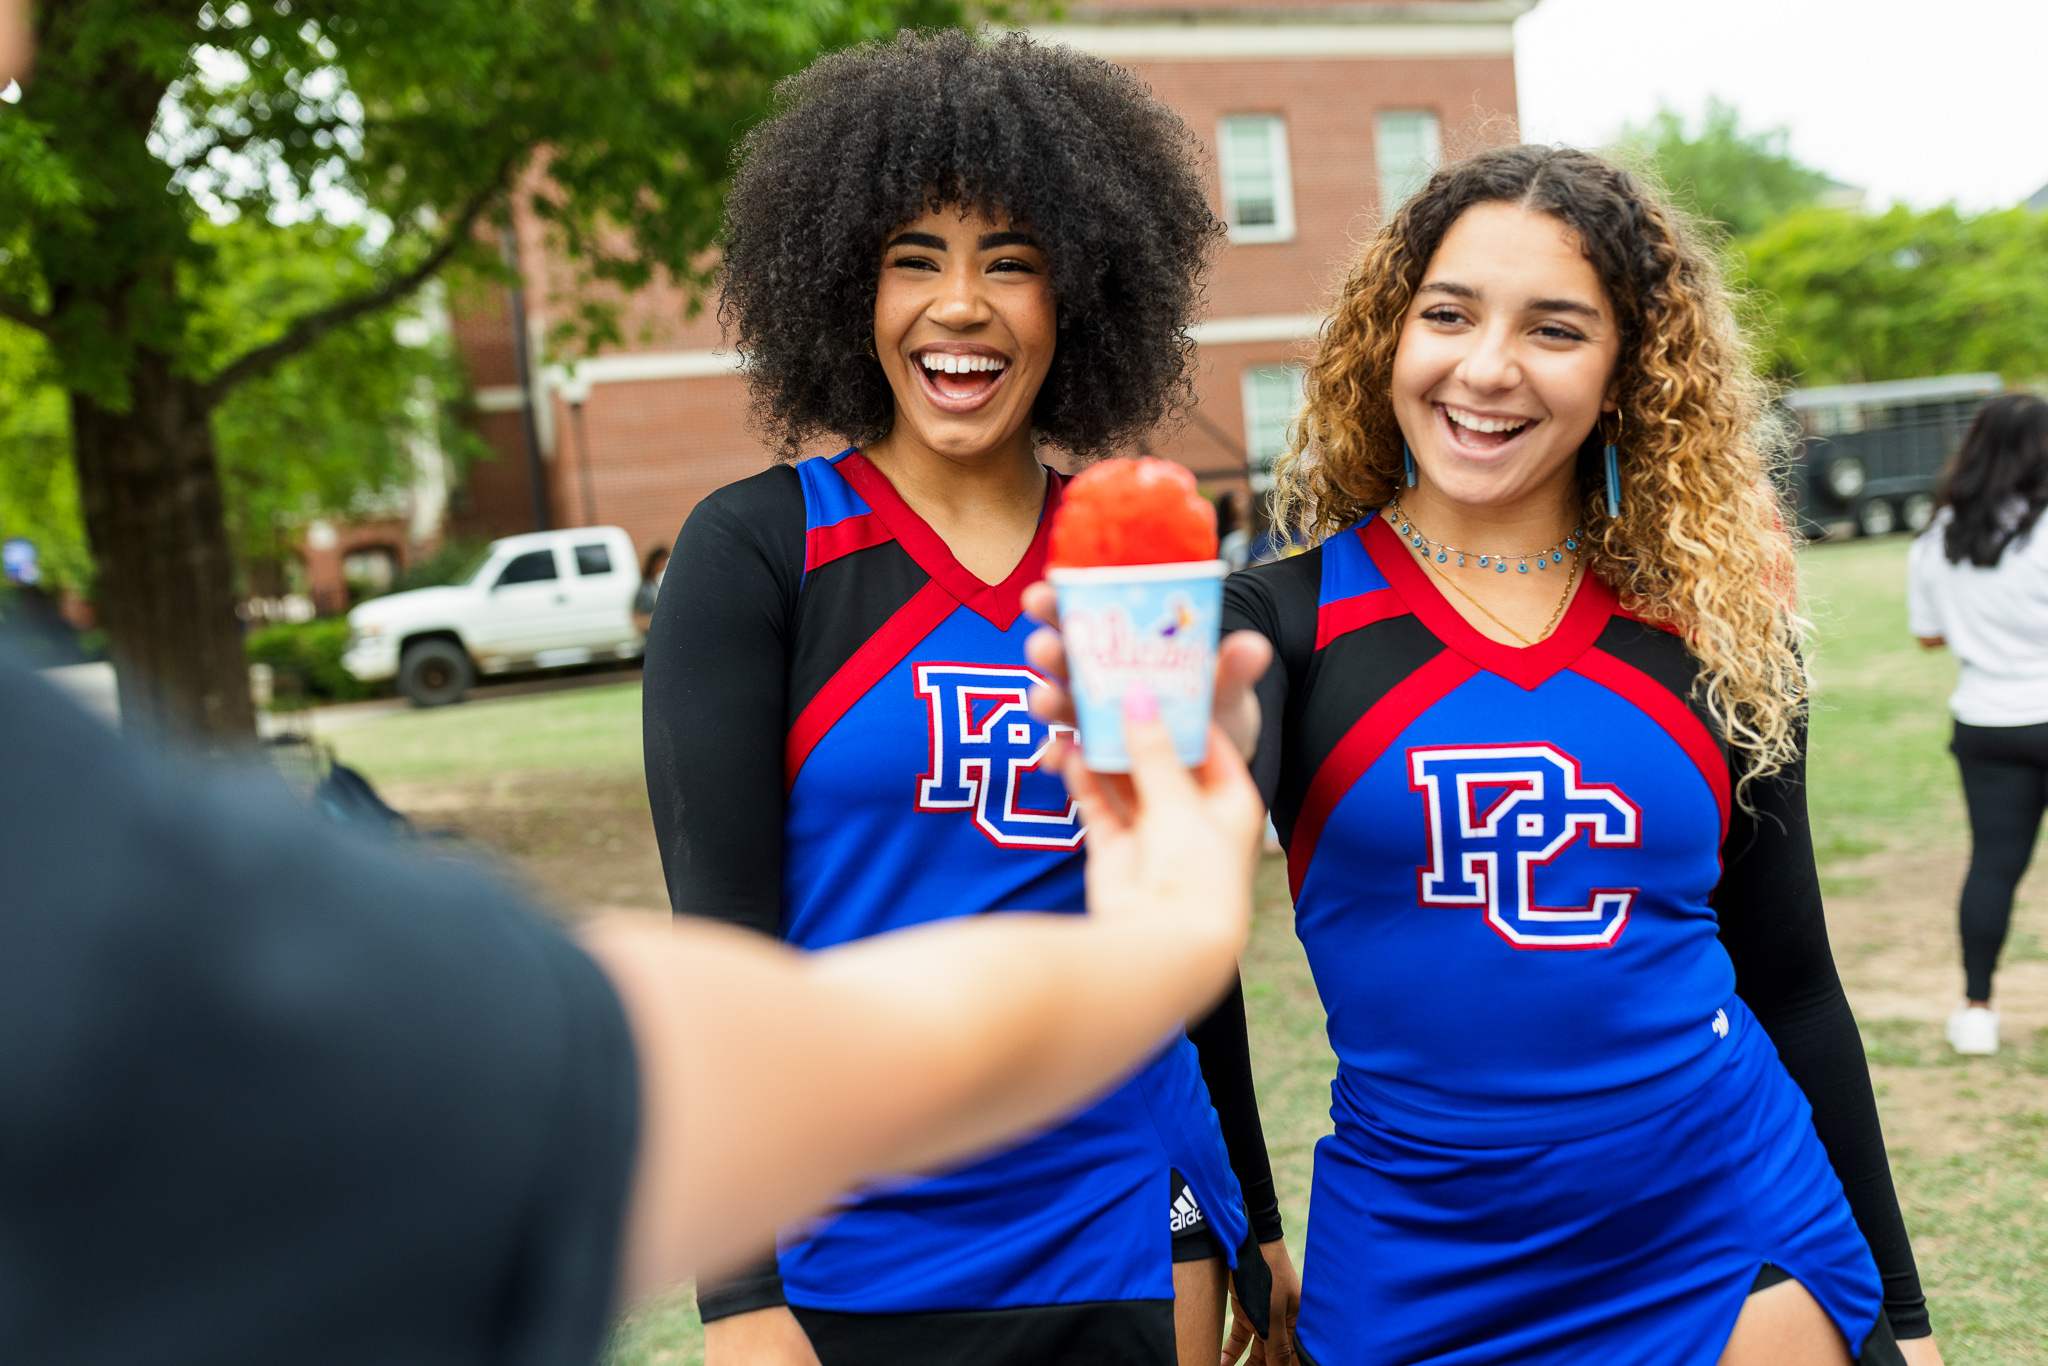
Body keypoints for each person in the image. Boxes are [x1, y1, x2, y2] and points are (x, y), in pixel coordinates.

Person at [1028, 144, 1942, 1365]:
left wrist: (1906, 1313)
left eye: (1554, 329)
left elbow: (1792, 983)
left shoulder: (1716, 626)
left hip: (1732, 1232)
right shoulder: (1277, 623)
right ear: (1385, 339)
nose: (1486, 367)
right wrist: (1235, 1211)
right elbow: (1173, 955)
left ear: (1628, 374)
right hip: (1419, 1258)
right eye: (1446, 314)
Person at [0, 649, 1266, 1363]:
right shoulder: (769, 542)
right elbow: (705, 1033)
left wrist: (1229, 1189)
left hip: (1095, 1218)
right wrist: (742, 1298)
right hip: (867, 1252)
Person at [642, 30, 1295, 1366]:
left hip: (1127, 1200)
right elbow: (719, 947)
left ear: (1083, 296)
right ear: (843, 291)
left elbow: (1179, 905)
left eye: (1012, 260)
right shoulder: (764, 550)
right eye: (913, 259)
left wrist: (1252, 1205)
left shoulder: (1125, 565)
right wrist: (737, 1292)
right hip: (853, 1224)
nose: (962, 305)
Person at [1907, 393, 2048, 1056]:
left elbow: (1928, 637)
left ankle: (1976, 1011)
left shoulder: (1938, 536)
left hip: (1986, 722)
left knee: (1993, 865)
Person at [634, 544, 669, 637]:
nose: (665, 564)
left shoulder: (654, 584)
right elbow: (639, 619)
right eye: (662, 561)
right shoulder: (646, 589)